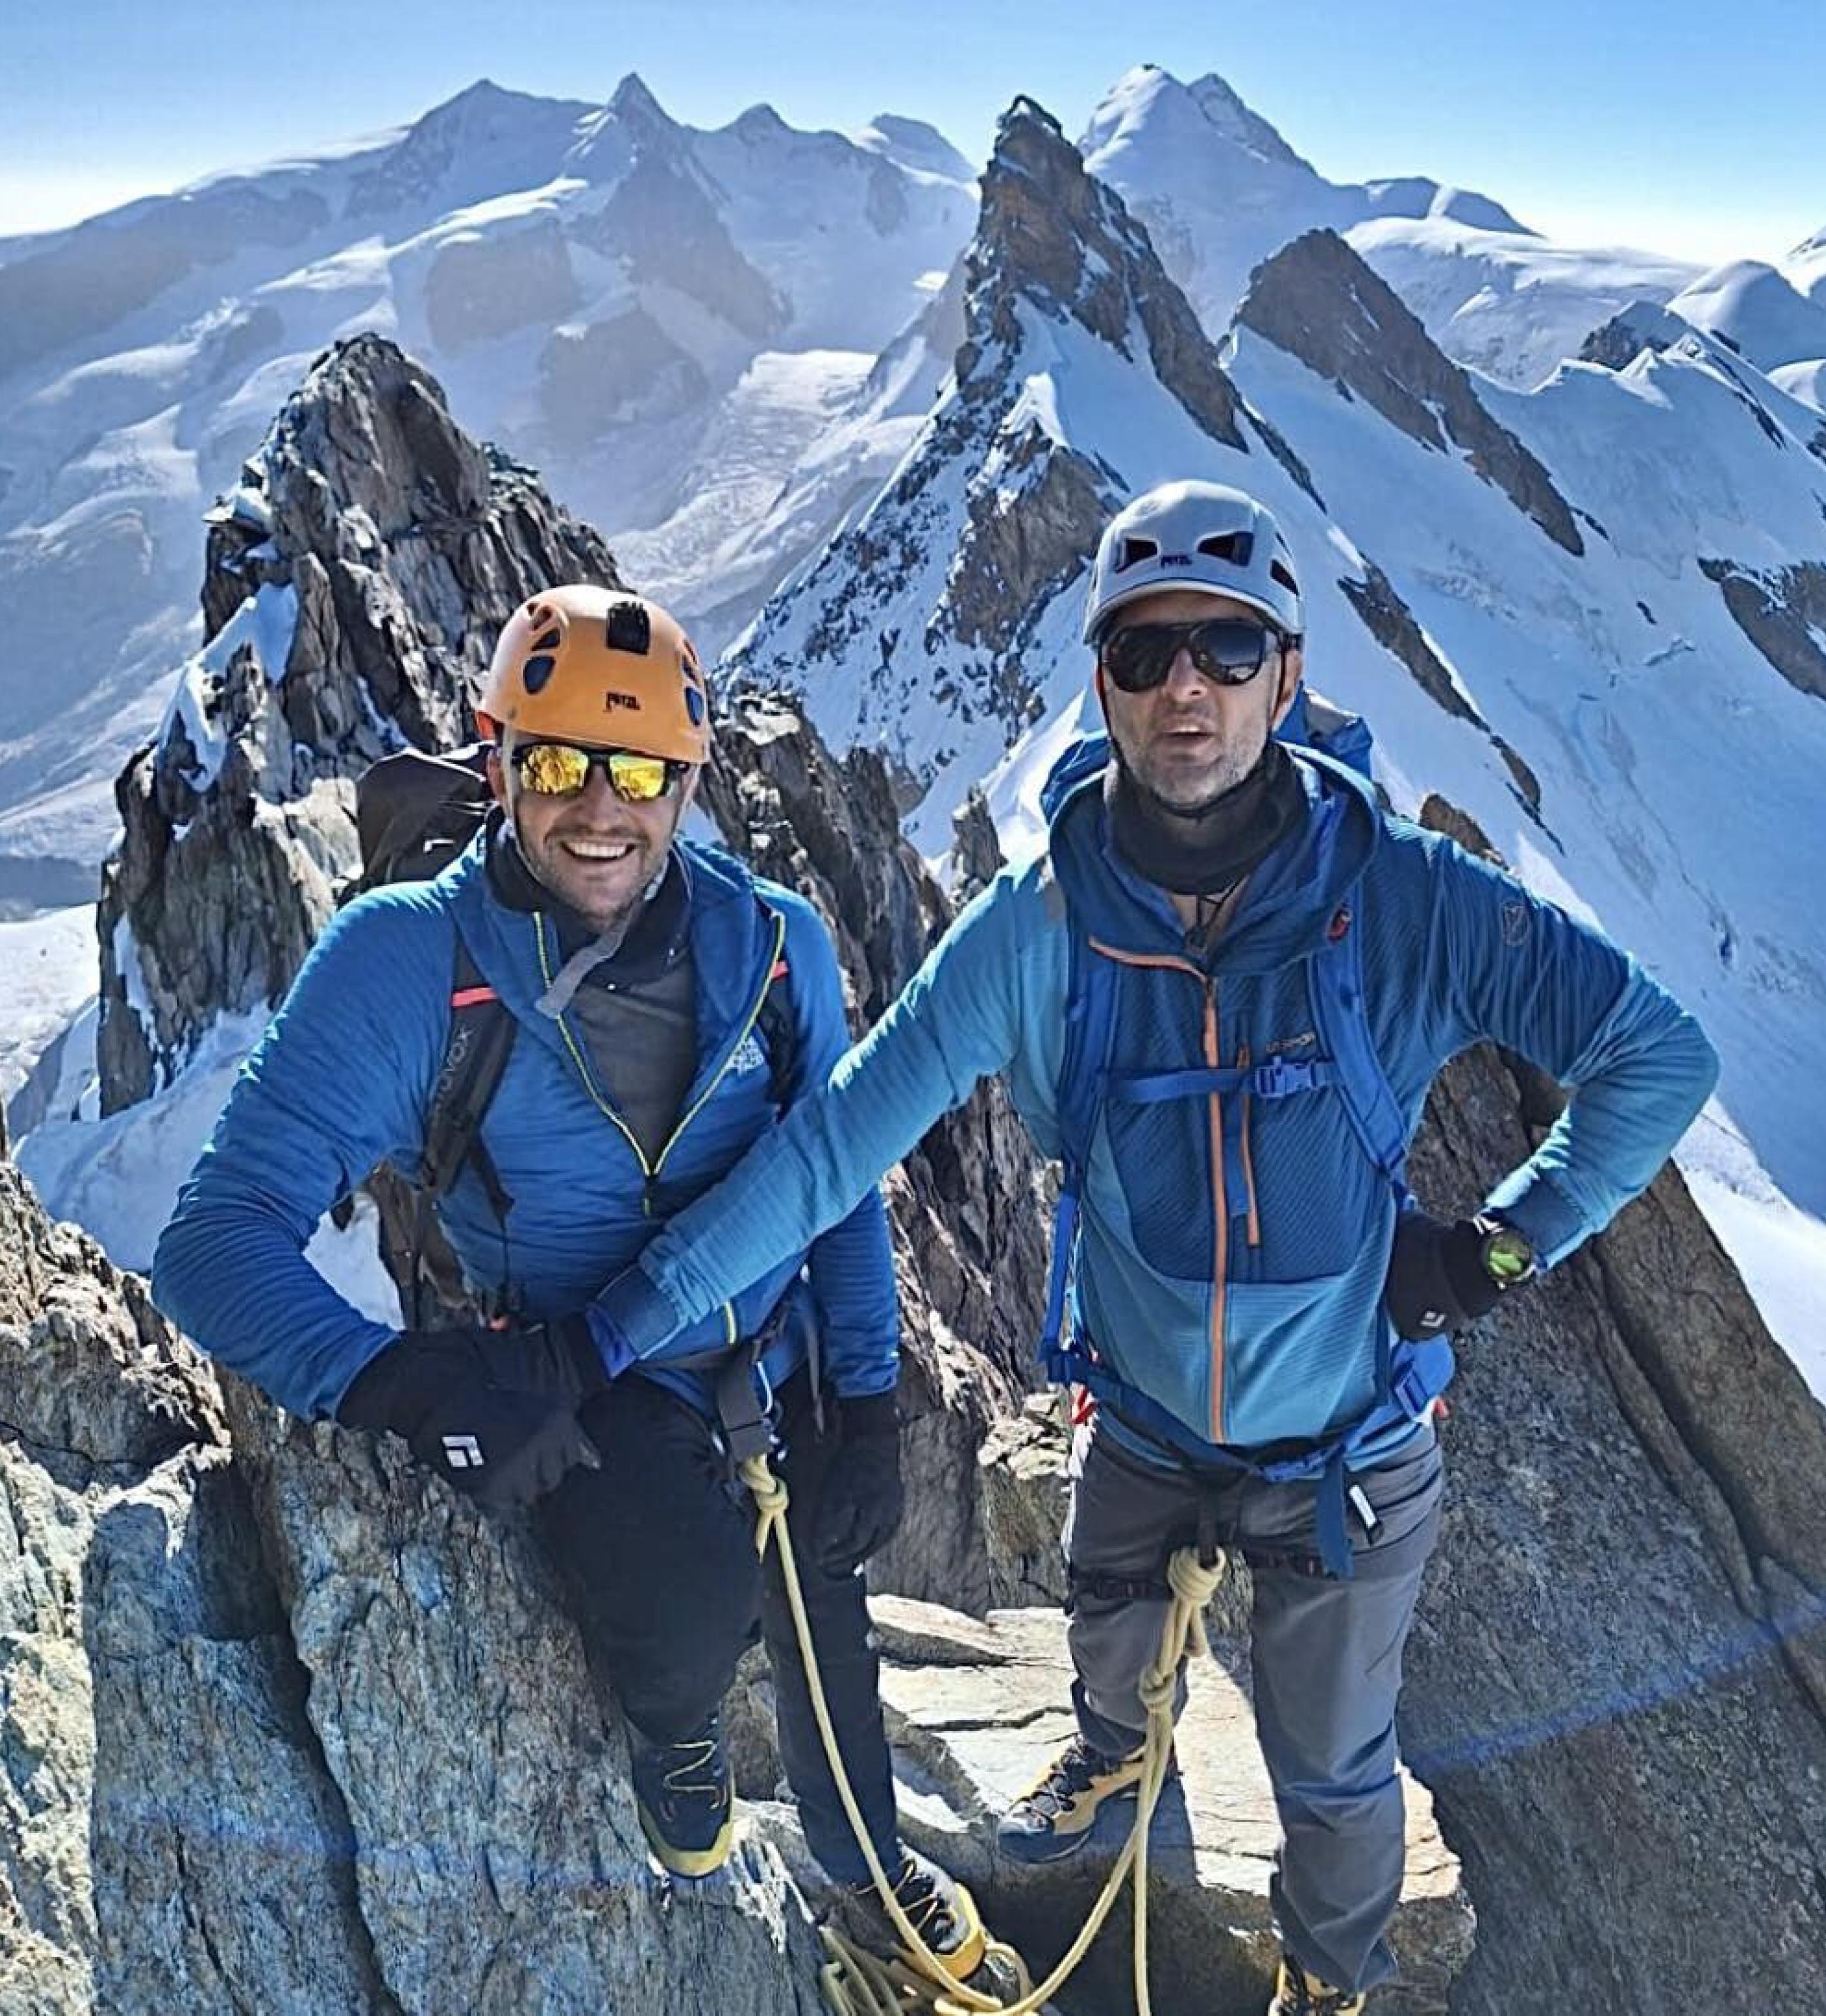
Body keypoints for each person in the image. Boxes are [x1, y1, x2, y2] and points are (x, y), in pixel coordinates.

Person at [567, 484, 1723, 2014]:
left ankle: (1329, 1983)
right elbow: (835, 1147)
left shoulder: (1404, 902)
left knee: (1331, 1772)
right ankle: (1117, 1766)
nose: (1186, 687)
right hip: (1147, 1416)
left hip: (1346, 1442)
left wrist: (1493, 1251)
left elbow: (1657, 1055)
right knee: (1111, 1656)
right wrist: (611, 1330)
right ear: (1100, 681)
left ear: (1287, 675)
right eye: (1144, 652)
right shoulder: (1036, 925)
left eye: (1227, 647)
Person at [150, 584, 993, 1981]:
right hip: (574, 1379)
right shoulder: (409, 965)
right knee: (683, 1616)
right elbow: (212, 1242)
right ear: (496, 763)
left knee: (822, 1597)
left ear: (687, 780)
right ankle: (675, 1742)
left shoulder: (776, 944)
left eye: (638, 772)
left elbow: (832, 1176)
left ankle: (863, 1865)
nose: (599, 811)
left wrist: (867, 1391)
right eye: (555, 765)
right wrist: (414, 1385)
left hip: (771, 1355)